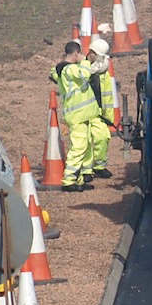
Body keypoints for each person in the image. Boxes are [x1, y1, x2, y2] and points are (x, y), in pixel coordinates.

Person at [53, 39, 109, 191]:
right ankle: (69, 181)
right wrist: (86, 61)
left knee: (82, 147)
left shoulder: (68, 69)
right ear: (76, 53)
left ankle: (78, 180)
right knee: (78, 148)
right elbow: (84, 74)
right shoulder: (69, 69)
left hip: (82, 115)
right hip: (77, 116)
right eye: (80, 54)